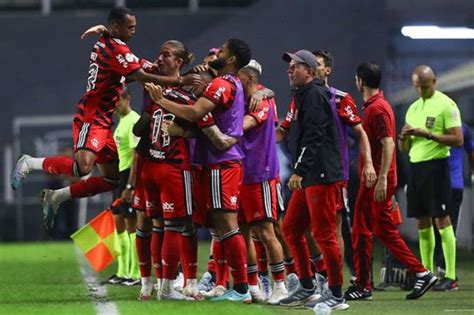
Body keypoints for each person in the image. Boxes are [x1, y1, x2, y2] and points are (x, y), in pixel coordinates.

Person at [10, 6, 201, 231]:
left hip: (104, 120)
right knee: (83, 167)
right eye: (130, 28)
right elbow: (141, 75)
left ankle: (57, 197)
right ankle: (29, 163)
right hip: (92, 115)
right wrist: (181, 82)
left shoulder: (114, 45)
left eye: (135, 28)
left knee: (111, 180)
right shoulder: (116, 48)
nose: (133, 32)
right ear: (116, 27)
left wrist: (192, 74)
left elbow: (146, 70)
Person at [145, 38, 252, 303]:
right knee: (219, 224)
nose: (217, 53)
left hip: (220, 160)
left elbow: (195, 113)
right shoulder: (231, 83)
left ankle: (241, 288)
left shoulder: (222, 84)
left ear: (232, 60)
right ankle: (229, 285)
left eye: (223, 51)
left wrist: (161, 101)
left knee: (226, 222)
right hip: (217, 160)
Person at [347, 62, 436, 301]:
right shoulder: (375, 107)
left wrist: (383, 178)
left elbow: (388, 143)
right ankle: (420, 273)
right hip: (376, 177)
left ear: (360, 81)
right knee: (380, 231)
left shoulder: (377, 109)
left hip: (377, 179)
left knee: (362, 231)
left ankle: (365, 286)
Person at [276, 50, 348, 311]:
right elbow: (288, 131)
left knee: (323, 233)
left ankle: (336, 293)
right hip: (310, 176)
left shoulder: (315, 95)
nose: (289, 69)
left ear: (309, 70)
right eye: (290, 66)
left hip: (320, 175)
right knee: (291, 229)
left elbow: (314, 137)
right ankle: (307, 286)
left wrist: (300, 170)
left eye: (295, 66)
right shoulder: (301, 96)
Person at [399, 65, 464, 291]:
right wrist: (403, 137)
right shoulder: (413, 108)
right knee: (421, 221)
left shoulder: (446, 105)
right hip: (416, 168)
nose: (421, 91)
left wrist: (428, 134)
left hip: (436, 168)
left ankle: (451, 275)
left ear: (434, 81)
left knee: (442, 220)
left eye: (424, 86)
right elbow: (405, 148)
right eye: (417, 87)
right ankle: (426, 274)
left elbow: (458, 139)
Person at [237, 60, 289, 304]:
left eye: (237, 75)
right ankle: (254, 286)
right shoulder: (242, 97)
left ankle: (282, 285)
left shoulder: (263, 99)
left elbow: (244, 125)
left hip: (260, 173)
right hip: (238, 173)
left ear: (248, 77)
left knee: (268, 231)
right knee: (243, 232)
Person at [108, 87, 140, 286]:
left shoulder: (134, 120)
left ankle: (136, 274)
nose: (115, 104)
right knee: (118, 222)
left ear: (127, 98)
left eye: (117, 99)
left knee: (132, 226)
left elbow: (136, 156)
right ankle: (122, 272)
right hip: (120, 176)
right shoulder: (120, 123)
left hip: (128, 175)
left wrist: (131, 184)